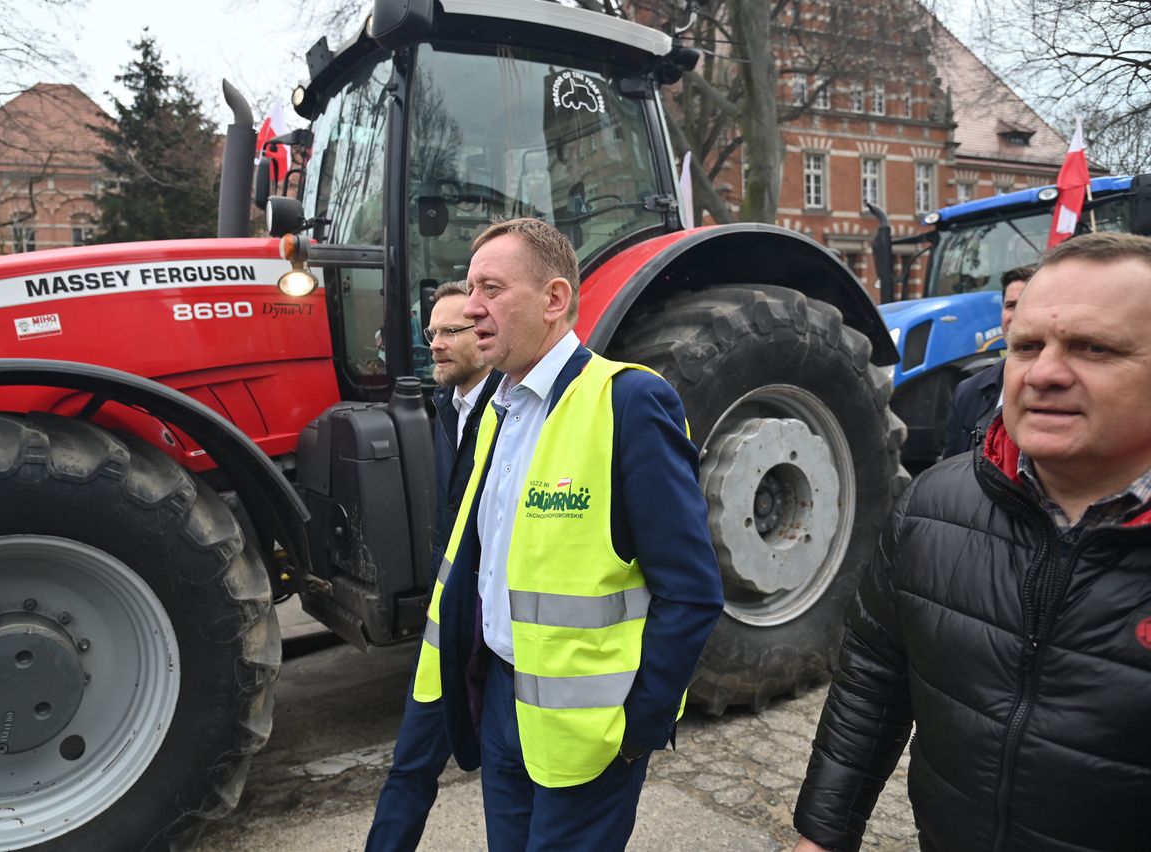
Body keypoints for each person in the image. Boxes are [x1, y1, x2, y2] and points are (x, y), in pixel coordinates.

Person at [791, 232, 1151, 852]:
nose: (1045, 373)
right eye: (1026, 346)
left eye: (1093, 348)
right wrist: (824, 834)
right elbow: (873, 676)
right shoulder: (931, 505)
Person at [413, 218, 723, 850]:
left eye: (491, 288)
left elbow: (691, 590)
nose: (471, 308)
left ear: (554, 300)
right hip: (500, 700)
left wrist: (638, 727)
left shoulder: (628, 403)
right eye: (470, 289)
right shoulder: (500, 409)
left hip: (592, 731)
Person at [366, 281, 499, 851]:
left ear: (485, 335)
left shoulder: (516, 409)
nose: (436, 346)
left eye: (451, 332)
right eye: (431, 334)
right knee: (410, 765)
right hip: (448, 625)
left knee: (505, 778)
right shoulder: (445, 406)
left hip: (497, 629)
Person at [941, 264, 1034, 458]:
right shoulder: (968, 394)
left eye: (1028, 303)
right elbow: (950, 470)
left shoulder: (1066, 389)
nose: (1017, 315)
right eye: (1010, 305)